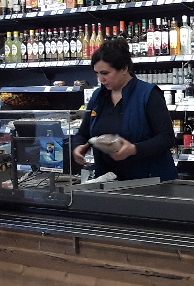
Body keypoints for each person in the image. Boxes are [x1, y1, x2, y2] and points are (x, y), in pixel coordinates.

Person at [72, 38, 177, 181]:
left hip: (147, 181)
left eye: (105, 73)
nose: (101, 79)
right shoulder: (98, 96)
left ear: (124, 69)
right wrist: (79, 146)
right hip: (107, 180)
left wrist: (134, 149)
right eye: (97, 73)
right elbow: (83, 133)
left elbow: (166, 138)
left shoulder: (148, 94)